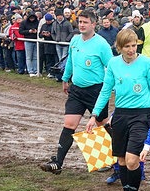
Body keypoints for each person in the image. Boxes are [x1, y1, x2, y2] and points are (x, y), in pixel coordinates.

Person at [85, 29, 150, 191]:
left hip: (142, 116)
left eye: (134, 45)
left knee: (131, 159)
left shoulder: (147, 63)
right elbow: (105, 91)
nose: (131, 49)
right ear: (119, 47)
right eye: (127, 46)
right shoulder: (113, 63)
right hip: (120, 116)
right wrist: (94, 115)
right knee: (120, 161)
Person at [40, 9, 113, 175]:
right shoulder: (74, 40)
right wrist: (65, 79)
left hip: (96, 91)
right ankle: (57, 162)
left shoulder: (102, 44)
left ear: (93, 24)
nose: (81, 25)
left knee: (102, 125)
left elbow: (112, 67)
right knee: (69, 125)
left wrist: (110, 88)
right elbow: (70, 61)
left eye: (85, 22)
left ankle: (116, 157)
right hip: (76, 90)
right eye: (80, 22)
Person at [18, 12, 39, 76]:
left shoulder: (37, 22)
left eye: (33, 18)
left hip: (35, 40)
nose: (32, 19)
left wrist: (36, 31)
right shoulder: (24, 23)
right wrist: (28, 31)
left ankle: (35, 70)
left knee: (35, 57)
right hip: (28, 41)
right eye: (31, 18)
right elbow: (20, 31)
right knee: (29, 57)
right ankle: (30, 71)